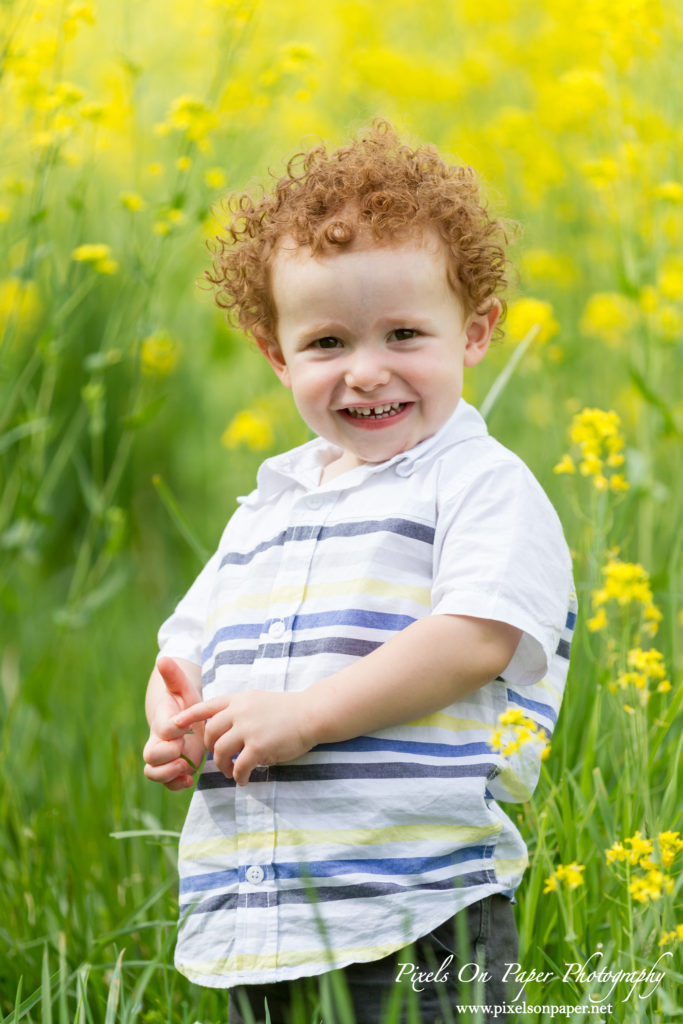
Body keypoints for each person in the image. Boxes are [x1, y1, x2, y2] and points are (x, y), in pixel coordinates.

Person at [142, 120, 576, 1024]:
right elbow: (184, 648)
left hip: (416, 908)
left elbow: (474, 638)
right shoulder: (269, 506)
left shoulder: (480, 483)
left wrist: (305, 715)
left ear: (476, 331)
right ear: (277, 356)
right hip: (262, 911)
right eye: (327, 343)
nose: (366, 371)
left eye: (405, 333)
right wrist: (180, 723)